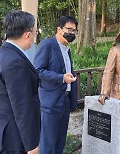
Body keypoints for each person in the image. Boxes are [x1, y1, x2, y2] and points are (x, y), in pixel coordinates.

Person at [33, 16, 78, 154]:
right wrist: (61, 78)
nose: (72, 33)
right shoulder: (47, 45)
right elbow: (38, 71)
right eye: (69, 29)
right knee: (48, 144)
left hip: (64, 100)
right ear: (59, 29)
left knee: (60, 141)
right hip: (50, 102)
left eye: (75, 31)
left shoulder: (66, 49)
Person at [0, 10, 40, 154]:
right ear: (28, 34)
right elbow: (22, 107)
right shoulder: (15, 62)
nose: (34, 37)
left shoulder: (2, 53)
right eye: (34, 32)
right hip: (14, 134)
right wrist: (32, 145)